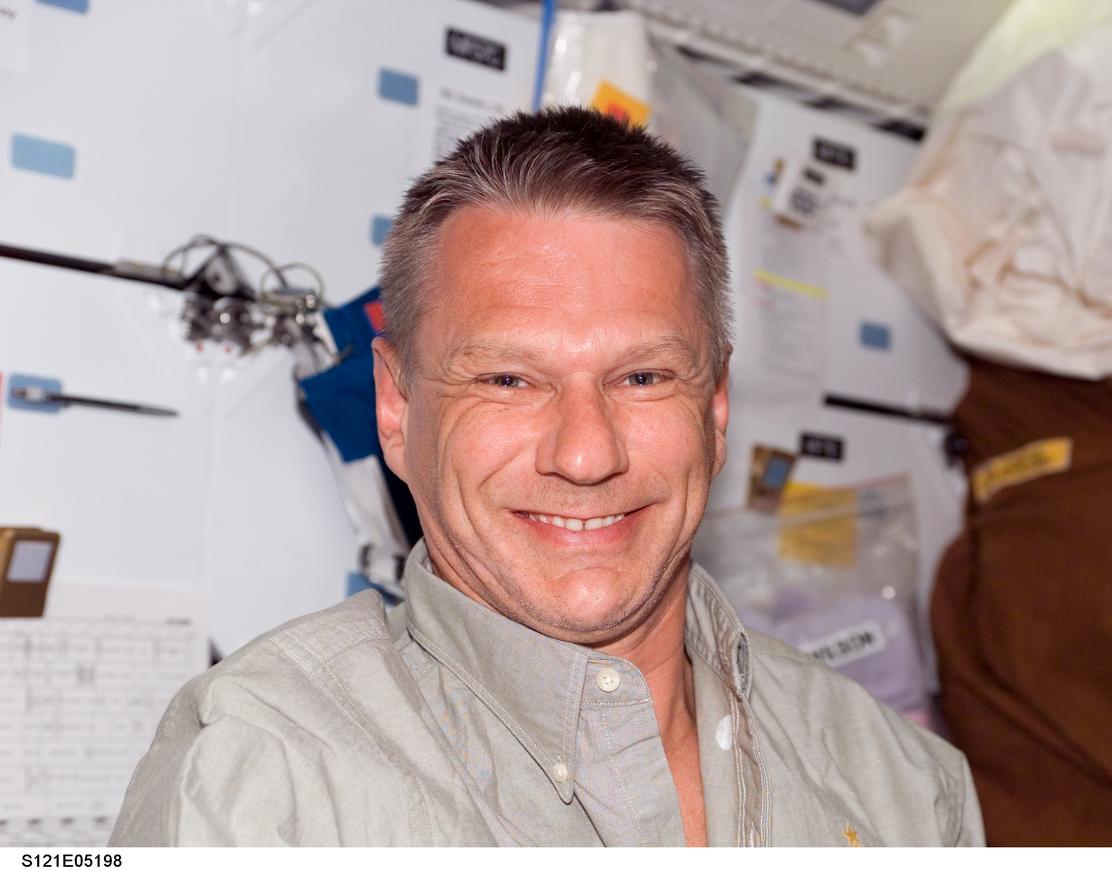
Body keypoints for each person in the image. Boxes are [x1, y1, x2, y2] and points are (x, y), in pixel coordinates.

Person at [110, 107, 984, 847]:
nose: (585, 453)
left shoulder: (903, 785)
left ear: (715, 407)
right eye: (507, 379)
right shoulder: (265, 777)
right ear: (396, 409)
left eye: (642, 376)